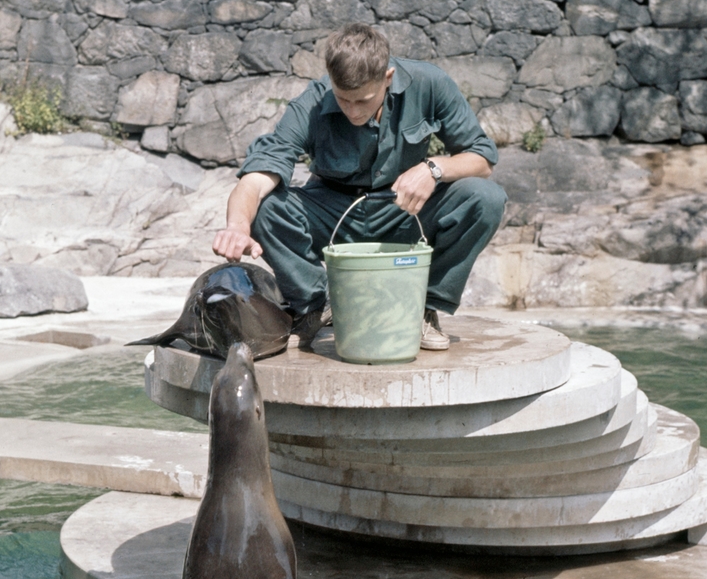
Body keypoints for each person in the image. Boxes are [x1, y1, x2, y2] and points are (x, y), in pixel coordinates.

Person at [212, 23, 505, 352]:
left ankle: (422, 308)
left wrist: (433, 168)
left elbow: (483, 159)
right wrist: (237, 227)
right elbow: (256, 177)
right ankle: (316, 305)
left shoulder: (430, 83)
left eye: (363, 100)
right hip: (334, 215)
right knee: (265, 208)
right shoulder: (311, 103)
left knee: (485, 199)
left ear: (388, 77)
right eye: (343, 99)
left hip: (405, 212)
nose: (352, 110)